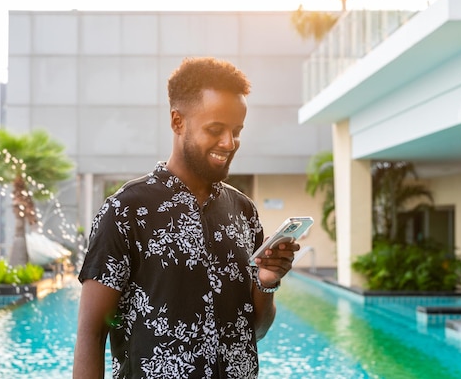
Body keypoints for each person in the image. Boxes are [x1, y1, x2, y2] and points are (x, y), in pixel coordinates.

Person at [72, 57, 300, 379]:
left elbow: (256, 331)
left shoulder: (244, 213)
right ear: (178, 122)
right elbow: (91, 334)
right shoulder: (126, 211)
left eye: (236, 131)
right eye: (215, 129)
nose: (229, 143)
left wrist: (267, 282)